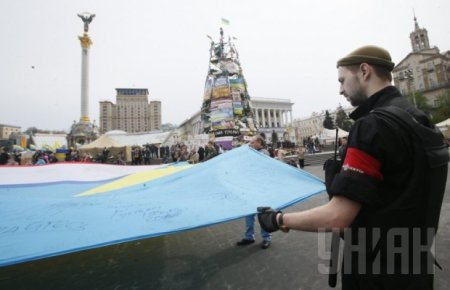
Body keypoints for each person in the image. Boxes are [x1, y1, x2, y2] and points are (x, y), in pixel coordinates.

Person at [257, 45, 448, 289]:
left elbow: (337, 217)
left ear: (365, 71)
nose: (340, 89)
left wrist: (277, 218)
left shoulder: (373, 126)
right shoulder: (416, 116)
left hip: (376, 271)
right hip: (416, 266)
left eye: (342, 80)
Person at [237, 135, 272, 249]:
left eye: (252, 143)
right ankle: (249, 237)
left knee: (262, 214)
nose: (250, 144)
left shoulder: (263, 153)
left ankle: (266, 237)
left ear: (259, 143)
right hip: (250, 188)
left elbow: (258, 167)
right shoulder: (252, 152)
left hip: (260, 189)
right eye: (250, 143)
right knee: (248, 213)